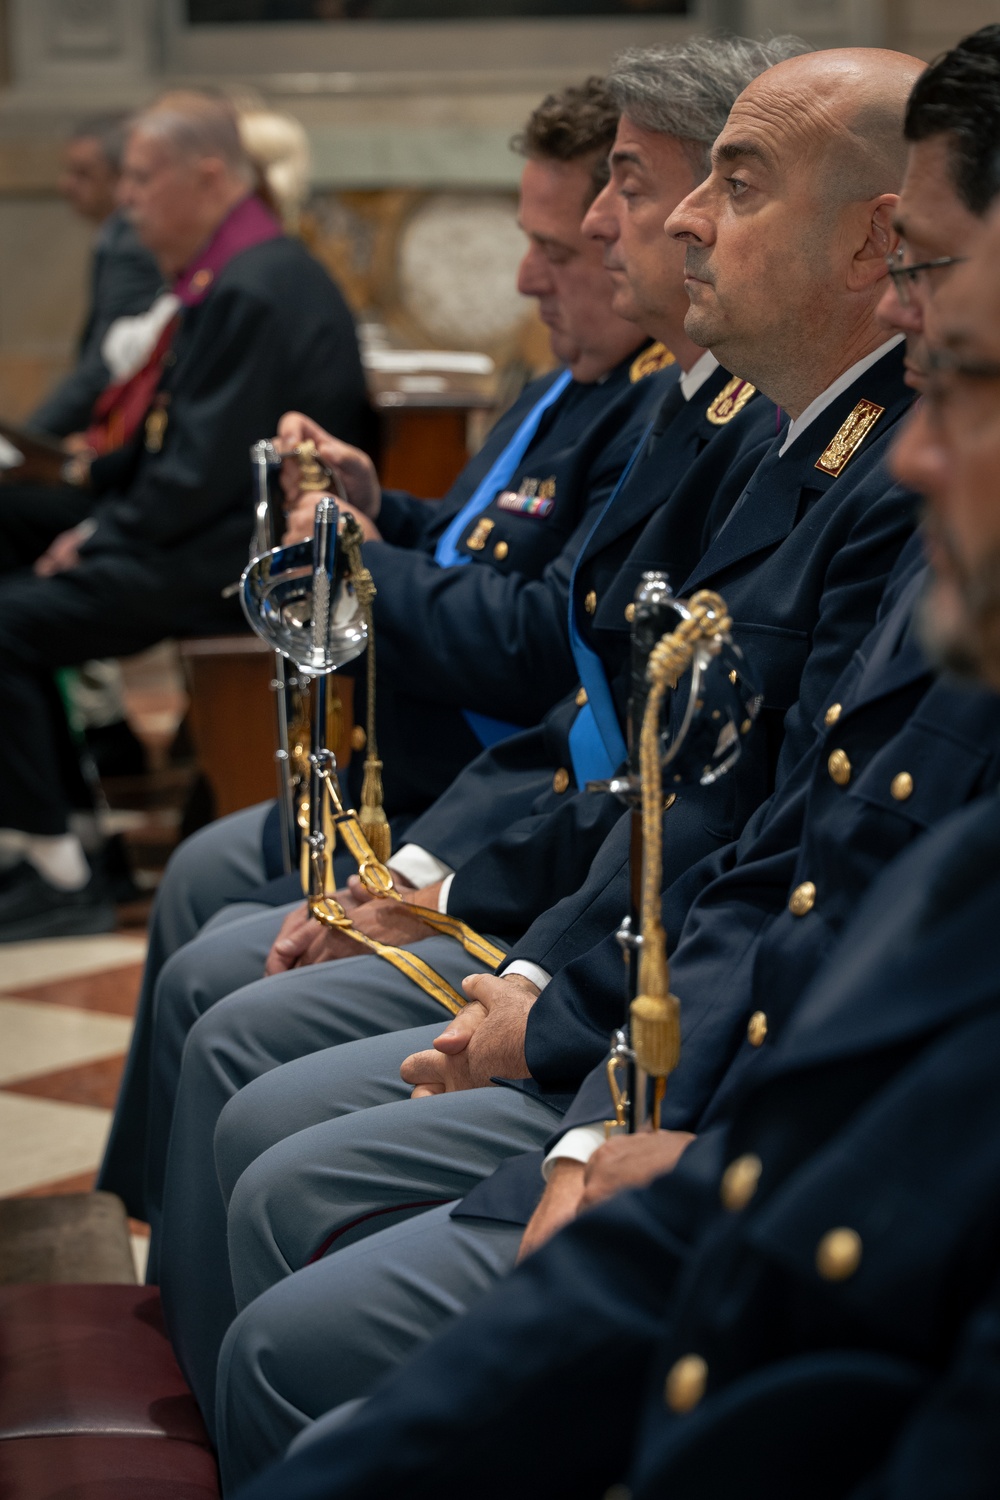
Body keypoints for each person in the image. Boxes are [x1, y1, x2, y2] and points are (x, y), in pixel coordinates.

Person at [160, 41, 919, 1446]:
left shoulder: (857, 467)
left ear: (882, 242)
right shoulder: (768, 435)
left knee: (275, 1176)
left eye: (709, 186)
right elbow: (672, 785)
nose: (645, 226)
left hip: (703, 1064)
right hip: (628, 972)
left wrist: (562, 1043)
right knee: (246, 1038)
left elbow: (772, 857)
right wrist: (490, 930)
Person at [99, 41, 791, 1245]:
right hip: (549, 851)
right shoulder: (624, 394)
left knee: (229, 1003)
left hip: (578, 894)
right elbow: (539, 599)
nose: (556, 256)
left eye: (605, 205)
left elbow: (568, 678)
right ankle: (149, 1276)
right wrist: (387, 521)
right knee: (213, 926)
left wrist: (446, 889)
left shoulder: (712, 414)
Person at [0, 91, 373, 942]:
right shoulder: (234, 273)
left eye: (140, 179)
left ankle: (58, 861)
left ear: (208, 177)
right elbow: (174, 446)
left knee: (7, 623)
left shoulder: (255, 286)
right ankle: (70, 834)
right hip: (202, 532)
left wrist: (97, 537)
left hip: (228, 561)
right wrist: (91, 518)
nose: (126, 201)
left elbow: (200, 476)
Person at [29, 115, 163, 440]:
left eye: (83, 174)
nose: (65, 185)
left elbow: (106, 362)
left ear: (120, 178)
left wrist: (31, 439)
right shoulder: (115, 237)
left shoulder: (132, 244)